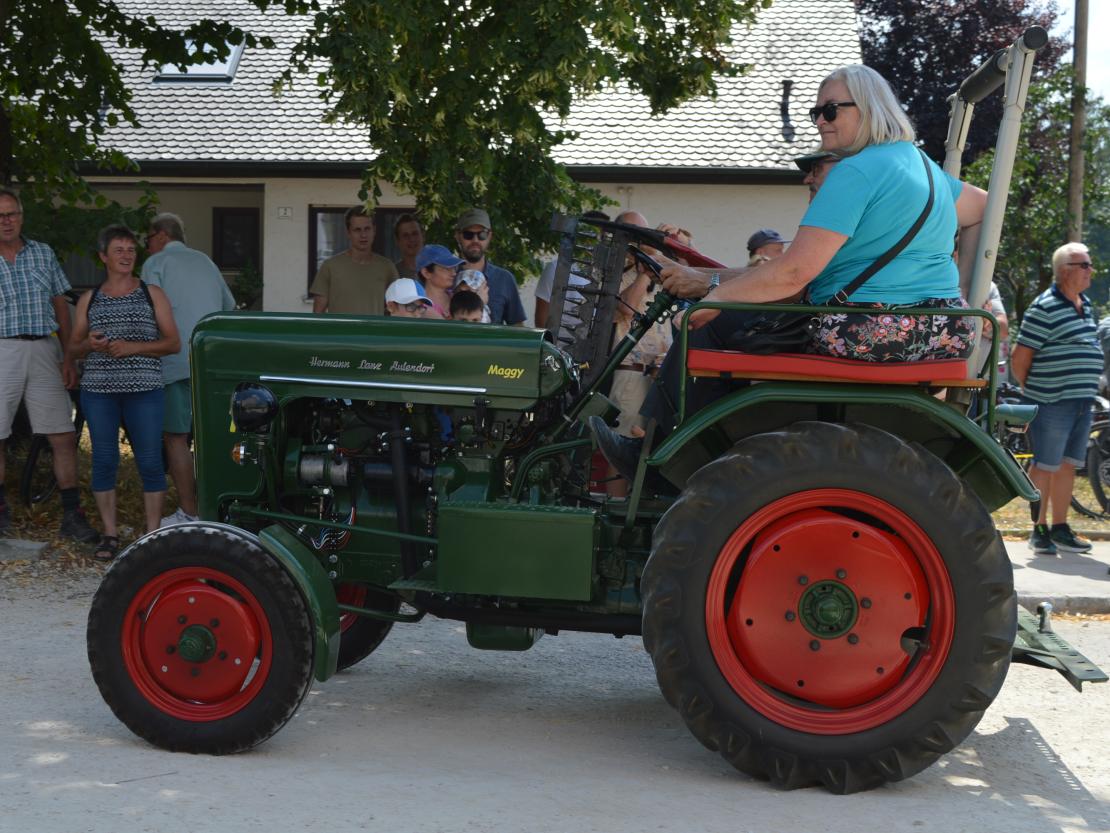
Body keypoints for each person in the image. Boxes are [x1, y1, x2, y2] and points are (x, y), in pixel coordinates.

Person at [592, 64, 988, 480]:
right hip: (939, 328)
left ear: (869, 109)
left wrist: (716, 296)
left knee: (706, 325)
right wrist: (961, 292)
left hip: (866, 330)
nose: (819, 121)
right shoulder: (922, 167)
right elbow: (982, 207)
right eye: (814, 112)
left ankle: (658, 455)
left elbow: (793, 273)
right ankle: (688, 451)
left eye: (831, 111)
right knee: (733, 321)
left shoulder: (855, 170)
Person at [68, 225, 180, 560]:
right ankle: (110, 534)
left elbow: (173, 342)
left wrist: (132, 347)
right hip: (99, 392)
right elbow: (73, 348)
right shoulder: (90, 299)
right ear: (103, 256)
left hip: (144, 390)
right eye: (119, 250)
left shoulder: (152, 293)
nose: (126, 256)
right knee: (104, 460)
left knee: (149, 460)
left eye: (131, 250)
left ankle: (152, 533)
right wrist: (90, 344)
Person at [0, 188, 98, 541]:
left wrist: (69, 354)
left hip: (44, 347)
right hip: (2, 350)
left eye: (12, 213)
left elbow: (60, 305)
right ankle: (0, 511)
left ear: (22, 216)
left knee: (62, 434)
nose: (7, 221)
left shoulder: (42, 253)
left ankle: (72, 513)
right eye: (0, 216)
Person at [140, 212, 236, 527]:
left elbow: (147, 311)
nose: (146, 246)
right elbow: (229, 307)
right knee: (212, 438)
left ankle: (189, 511)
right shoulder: (206, 261)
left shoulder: (155, 264)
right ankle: (220, 508)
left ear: (160, 235)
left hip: (173, 359)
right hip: (211, 360)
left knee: (176, 437)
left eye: (148, 239)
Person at [1011, 242, 1101, 556]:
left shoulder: (1086, 304)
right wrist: (1035, 392)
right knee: (1045, 466)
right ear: (1065, 271)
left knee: (1067, 466)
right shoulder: (1044, 306)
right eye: (1085, 265)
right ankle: (1039, 530)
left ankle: (1060, 528)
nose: (1091, 270)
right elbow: (1020, 357)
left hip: (1081, 400)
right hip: (1051, 401)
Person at [310, 207, 398, 314]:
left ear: (374, 230)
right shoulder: (330, 267)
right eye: (357, 230)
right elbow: (317, 314)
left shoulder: (387, 267)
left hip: (374, 331)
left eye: (367, 229)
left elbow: (397, 311)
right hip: (340, 331)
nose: (363, 235)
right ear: (348, 232)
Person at [454, 208, 526, 326]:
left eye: (482, 234)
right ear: (457, 236)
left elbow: (518, 327)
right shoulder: (446, 276)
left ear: (490, 236)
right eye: (468, 234)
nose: (475, 240)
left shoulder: (504, 279)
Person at [415, 244, 465, 320]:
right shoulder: (415, 305)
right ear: (426, 273)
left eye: (454, 268)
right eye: (446, 268)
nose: (454, 273)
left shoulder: (459, 298)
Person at [393, 213, 425, 279]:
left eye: (415, 234)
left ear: (423, 236)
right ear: (397, 241)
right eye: (405, 235)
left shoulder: (435, 270)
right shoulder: (392, 273)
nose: (411, 239)